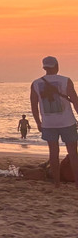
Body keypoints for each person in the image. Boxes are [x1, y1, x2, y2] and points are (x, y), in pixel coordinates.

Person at [30, 56, 78, 187]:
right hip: (67, 122)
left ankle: (57, 183)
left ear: (44, 67)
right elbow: (75, 101)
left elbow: (34, 105)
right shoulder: (66, 81)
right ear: (57, 66)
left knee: (53, 153)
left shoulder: (35, 83)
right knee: (73, 153)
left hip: (48, 124)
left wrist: (38, 122)